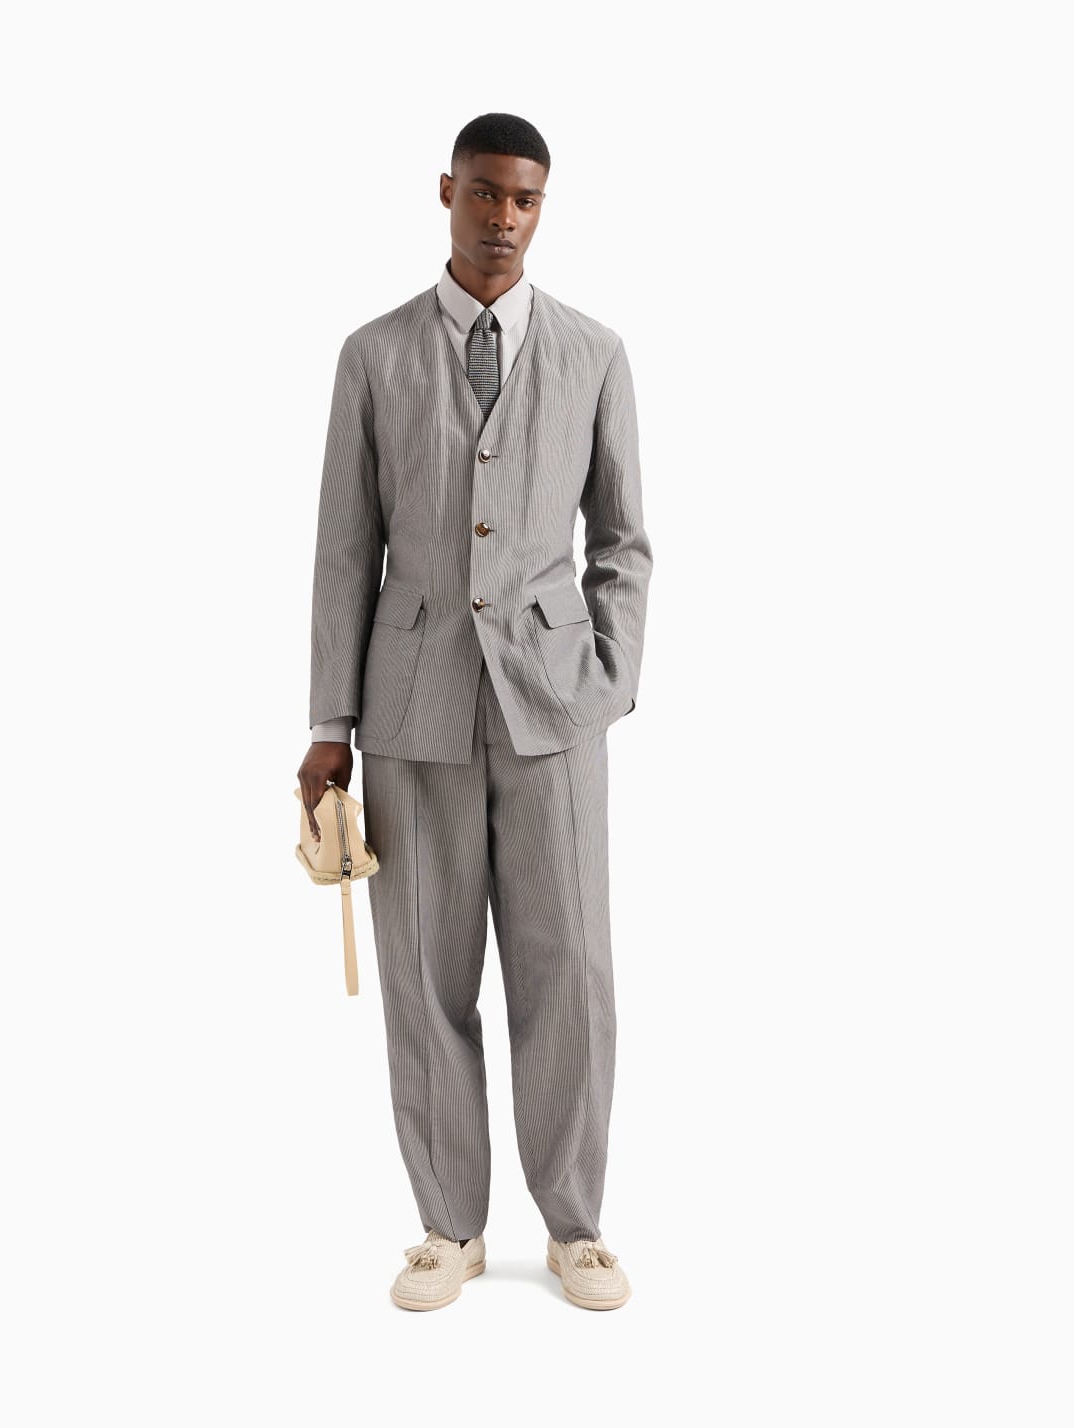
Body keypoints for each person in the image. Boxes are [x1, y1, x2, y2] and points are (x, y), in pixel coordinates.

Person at [297, 112, 652, 1312]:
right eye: (487, 193)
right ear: (446, 190)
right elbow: (344, 550)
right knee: (424, 971)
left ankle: (576, 1227)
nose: (505, 217)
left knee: (572, 971)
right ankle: (448, 1226)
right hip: (414, 708)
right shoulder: (374, 355)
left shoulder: (594, 353)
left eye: (526, 199)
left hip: (556, 711)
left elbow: (624, 542)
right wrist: (329, 725)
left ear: (543, 208)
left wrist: (609, 679)